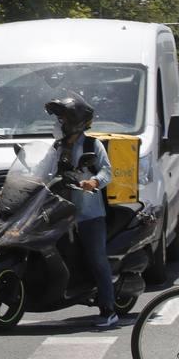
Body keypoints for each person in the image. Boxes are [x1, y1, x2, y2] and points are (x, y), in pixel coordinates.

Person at [45, 93, 119, 329]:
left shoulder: (91, 145)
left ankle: (109, 309)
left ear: (74, 122)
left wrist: (94, 182)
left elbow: (107, 172)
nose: (58, 124)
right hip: (59, 213)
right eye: (58, 119)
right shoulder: (57, 146)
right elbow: (44, 171)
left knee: (97, 260)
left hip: (88, 215)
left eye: (62, 119)